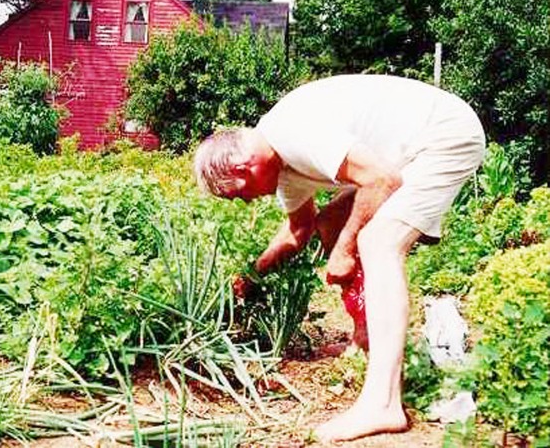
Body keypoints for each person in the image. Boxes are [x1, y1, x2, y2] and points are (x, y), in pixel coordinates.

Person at [193, 74, 485, 442]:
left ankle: (383, 404)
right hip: (405, 153)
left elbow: (381, 180)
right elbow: (299, 231)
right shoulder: (281, 166)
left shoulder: (294, 132)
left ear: (242, 168)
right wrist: (250, 275)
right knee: (331, 222)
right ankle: (365, 337)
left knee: (379, 242)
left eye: (240, 195)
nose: (247, 202)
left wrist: (346, 250)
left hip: (443, 136)